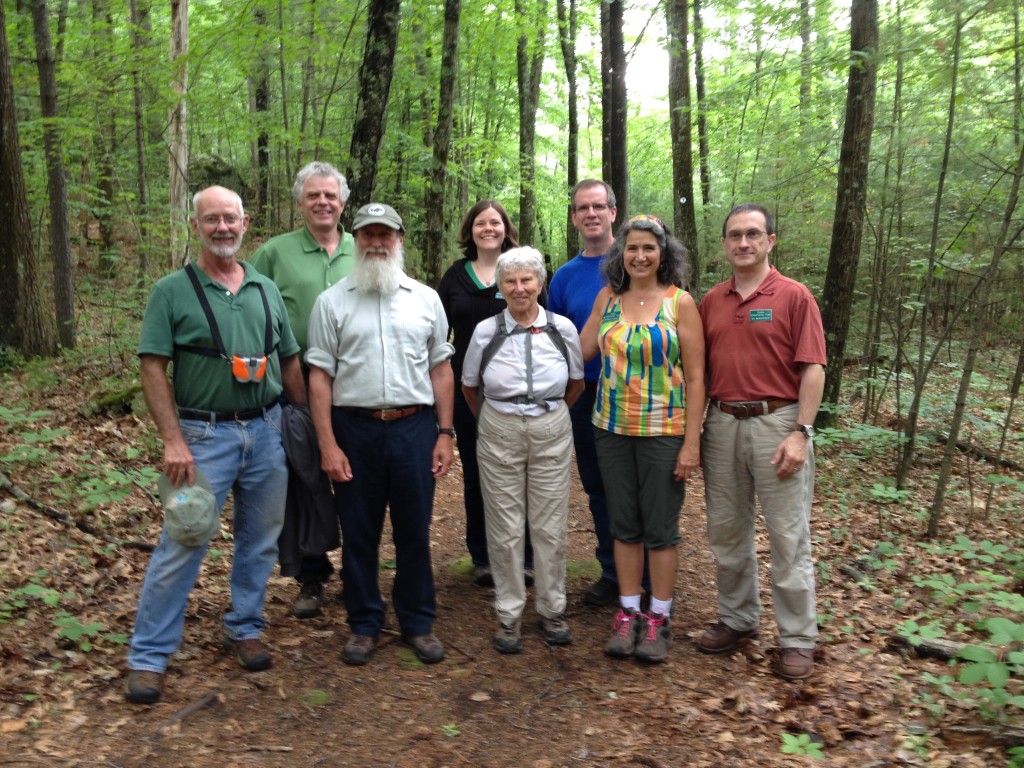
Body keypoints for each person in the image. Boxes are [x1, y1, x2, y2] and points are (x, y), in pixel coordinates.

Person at [125, 186, 305, 705]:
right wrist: (172, 439)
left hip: (267, 434)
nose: (222, 228)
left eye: (231, 219)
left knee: (260, 539)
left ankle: (245, 626)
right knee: (183, 540)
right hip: (201, 439)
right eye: (212, 220)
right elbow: (153, 365)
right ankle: (148, 657)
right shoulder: (171, 290)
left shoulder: (266, 289)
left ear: (246, 223)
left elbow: (289, 359)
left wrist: (300, 427)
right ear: (196, 224)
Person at [306, 202, 454, 667]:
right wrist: (327, 443)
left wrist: (445, 433)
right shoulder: (332, 301)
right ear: (355, 240)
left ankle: (417, 621)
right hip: (355, 429)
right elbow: (319, 378)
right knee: (360, 531)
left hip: (413, 427)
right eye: (367, 235)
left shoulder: (425, 299)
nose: (376, 243)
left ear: (399, 240)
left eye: (384, 235)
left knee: (414, 529)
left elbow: (442, 370)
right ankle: (365, 622)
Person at [696, 203, 826, 682]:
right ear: (725, 244)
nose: (744, 243)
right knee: (726, 530)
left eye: (753, 234)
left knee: (787, 535)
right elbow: (697, 372)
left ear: (771, 240)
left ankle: (796, 637)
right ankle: (737, 618)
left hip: (779, 422)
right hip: (723, 422)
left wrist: (801, 432)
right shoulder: (712, 301)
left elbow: (813, 367)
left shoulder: (793, 296)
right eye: (735, 235)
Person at [580, 215, 705, 664]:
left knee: (661, 529)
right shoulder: (608, 298)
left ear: (663, 253)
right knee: (624, 525)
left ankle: (658, 618)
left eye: (649, 248)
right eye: (632, 248)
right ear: (621, 253)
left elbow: (695, 375)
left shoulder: (680, 303)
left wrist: (692, 443)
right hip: (611, 429)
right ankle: (628, 612)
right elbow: (578, 353)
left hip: (663, 433)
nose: (639, 256)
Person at [462, 247, 584, 653]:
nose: (519, 288)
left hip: (551, 425)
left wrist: (551, 417)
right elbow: (469, 387)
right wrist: (495, 421)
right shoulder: (486, 331)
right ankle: (509, 614)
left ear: (540, 283)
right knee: (505, 526)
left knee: (549, 526)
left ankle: (552, 610)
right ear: (499, 287)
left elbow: (577, 383)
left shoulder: (562, 329)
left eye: (526, 279)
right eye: (510, 281)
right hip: (499, 426)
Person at [250, 161, 353, 619]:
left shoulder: (364, 246)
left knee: (358, 480)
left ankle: (360, 568)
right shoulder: (274, 253)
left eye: (330, 195)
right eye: (313, 195)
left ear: (343, 201)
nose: (323, 202)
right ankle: (312, 575)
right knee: (305, 480)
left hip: (359, 387)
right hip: (294, 383)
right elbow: (251, 310)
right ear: (300, 203)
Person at [436, 200, 539, 588]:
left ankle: (526, 555)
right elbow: (437, 334)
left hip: (517, 392)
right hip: (468, 392)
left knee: (523, 472)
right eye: (481, 223)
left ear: (505, 227)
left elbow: (540, 325)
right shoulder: (455, 276)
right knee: (480, 473)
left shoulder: (519, 270)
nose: (488, 229)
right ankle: (482, 554)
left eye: (495, 222)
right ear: (471, 229)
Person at [547, 180, 622, 607]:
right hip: (585, 392)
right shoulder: (563, 277)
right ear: (574, 218)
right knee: (597, 484)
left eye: (599, 206)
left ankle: (648, 574)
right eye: (582, 208)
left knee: (637, 484)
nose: (591, 214)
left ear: (613, 212)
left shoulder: (637, 259)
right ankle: (613, 571)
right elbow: (556, 340)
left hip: (636, 392)